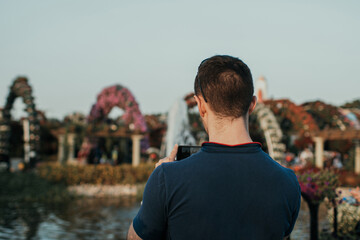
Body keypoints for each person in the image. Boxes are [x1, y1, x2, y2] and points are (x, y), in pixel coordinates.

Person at [127, 55, 301, 240]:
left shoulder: (166, 179)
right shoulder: (288, 182)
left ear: (201, 105)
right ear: (252, 105)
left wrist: (153, 195)